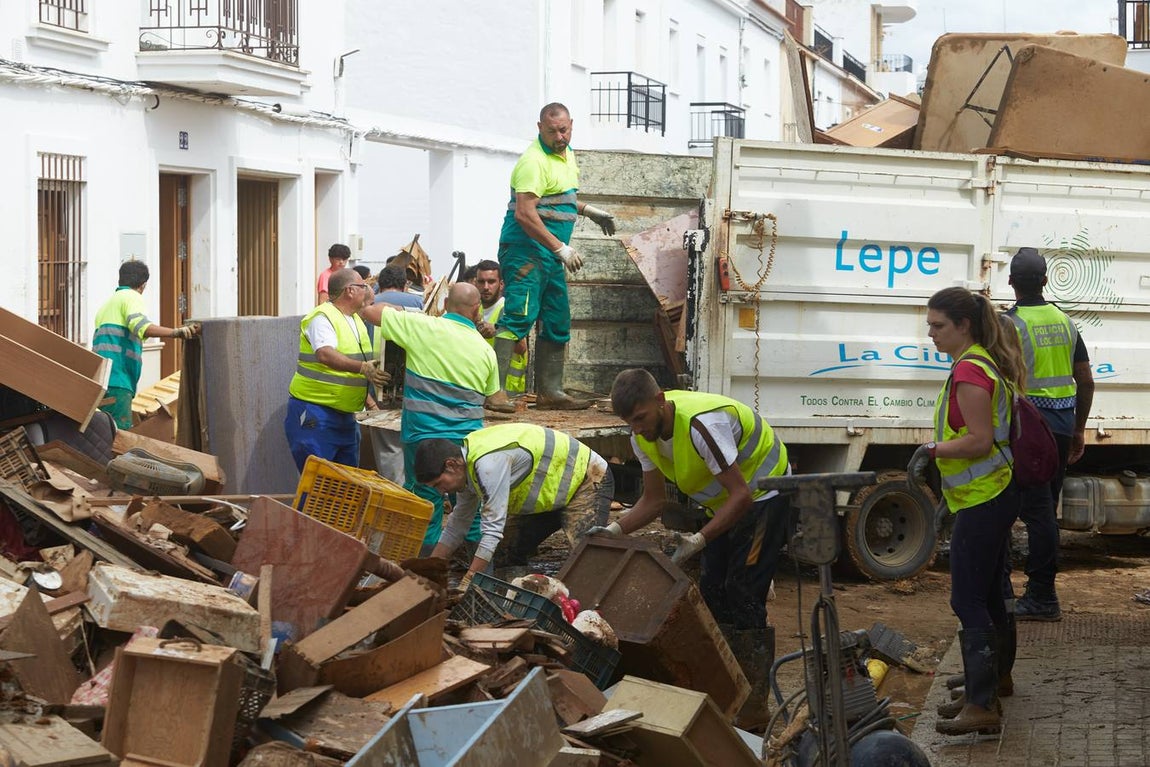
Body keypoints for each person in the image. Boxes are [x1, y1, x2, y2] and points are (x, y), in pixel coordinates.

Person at [598, 368, 791, 730]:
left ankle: (754, 708)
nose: (636, 429)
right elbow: (653, 500)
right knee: (712, 590)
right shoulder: (642, 437)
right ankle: (727, 689)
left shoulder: (702, 426)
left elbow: (742, 495)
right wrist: (612, 530)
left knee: (744, 592)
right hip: (725, 503)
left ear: (660, 401)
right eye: (629, 422)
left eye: (640, 418)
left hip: (766, 493)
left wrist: (699, 539)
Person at [906, 286, 1024, 736]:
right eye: (930, 325)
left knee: (967, 598)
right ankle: (989, 684)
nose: (931, 334)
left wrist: (931, 450)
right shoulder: (976, 364)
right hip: (987, 494)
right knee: (990, 593)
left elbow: (978, 441)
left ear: (964, 325)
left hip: (986, 496)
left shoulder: (971, 371)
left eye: (938, 325)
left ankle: (981, 703)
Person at [494, 102, 616, 410]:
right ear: (540, 128)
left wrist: (588, 210)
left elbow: (557, 197)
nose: (559, 137)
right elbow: (525, 213)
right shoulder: (533, 161)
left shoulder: (566, 154)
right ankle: (494, 393)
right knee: (518, 316)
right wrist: (560, 248)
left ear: (571, 124)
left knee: (557, 319)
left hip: (548, 254)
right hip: (525, 251)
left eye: (564, 130)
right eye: (552, 132)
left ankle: (550, 392)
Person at [360, 283, 499, 551]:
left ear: (445, 305)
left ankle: (424, 568)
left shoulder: (422, 327)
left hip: (423, 434)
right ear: (477, 311)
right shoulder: (485, 350)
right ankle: (477, 571)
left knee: (425, 500)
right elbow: (494, 396)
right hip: (467, 441)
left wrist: (402, 310)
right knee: (470, 505)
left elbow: (371, 312)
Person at [1004, 248, 1094, 622]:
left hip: (1026, 430)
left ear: (1011, 281)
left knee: (1017, 510)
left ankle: (1038, 596)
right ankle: (1037, 593)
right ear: (1044, 281)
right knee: (1044, 513)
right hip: (1059, 428)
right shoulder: (1065, 322)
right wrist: (1078, 429)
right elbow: (1085, 380)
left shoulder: (1009, 324)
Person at [413, 423, 613, 584]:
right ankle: (516, 604)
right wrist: (430, 570)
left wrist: (469, 579)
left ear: (451, 464)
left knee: (586, 558)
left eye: (439, 484)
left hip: (587, 478)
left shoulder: (488, 464)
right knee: (505, 552)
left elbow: (492, 531)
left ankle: (593, 611)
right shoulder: (467, 469)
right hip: (550, 494)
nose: (441, 492)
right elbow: (457, 526)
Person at [285, 268, 388, 471]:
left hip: (345, 417)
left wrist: (369, 402)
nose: (367, 289)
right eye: (363, 286)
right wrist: (362, 367)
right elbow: (325, 354)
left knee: (346, 483)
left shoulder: (355, 319)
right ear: (350, 290)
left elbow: (350, 374)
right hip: (316, 414)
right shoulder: (322, 317)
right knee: (319, 481)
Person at [93, 260, 200, 429]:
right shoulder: (132, 298)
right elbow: (140, 326)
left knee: (104, 432)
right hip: (119, 380)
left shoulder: (107, 305)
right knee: (120, 435)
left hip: (100, 381)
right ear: (143, 285)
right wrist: (176, 332)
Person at [472, 260, 528, 405]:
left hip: (509, 395)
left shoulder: (509, 310)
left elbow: (522, 348)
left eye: (491, 282)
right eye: (481, 282)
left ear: (501, 284)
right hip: (481, 391)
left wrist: (497, 330)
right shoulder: (474, 310)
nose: (486, 287)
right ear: (475, 283)